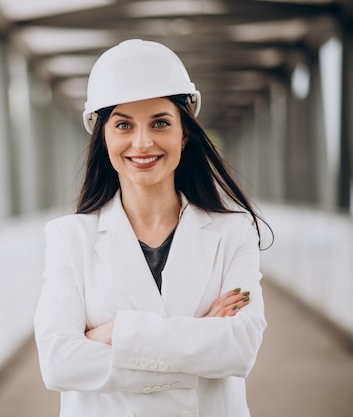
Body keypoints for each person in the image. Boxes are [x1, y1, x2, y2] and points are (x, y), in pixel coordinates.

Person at [34, 39, 270, 417]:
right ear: (104, 137)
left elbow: (239, 349)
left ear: (184, 133)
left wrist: (114, 334)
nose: (142, 143)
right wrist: (197, 341)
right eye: (123, 125)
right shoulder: (68, 239)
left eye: (160, 123)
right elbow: (59, 362)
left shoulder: (234, 232)